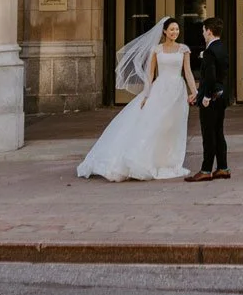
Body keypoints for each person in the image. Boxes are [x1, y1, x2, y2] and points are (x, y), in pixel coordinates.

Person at [76, 17, 198, 182]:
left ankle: (168, 161)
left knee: (172, 126)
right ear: (164, 31)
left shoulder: (184, 49)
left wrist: (194, 91)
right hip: (160, 89)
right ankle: (147, 160)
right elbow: (150, 74)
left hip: (177, 91)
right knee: (155, 124)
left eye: (177, 29)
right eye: (171, 29)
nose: (175, 32)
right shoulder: (157, 49)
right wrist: (147, 94)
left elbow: (188, 72)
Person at [185, 17, 230, 182]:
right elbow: (221, 76)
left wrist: (205, 97)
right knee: (218, 132)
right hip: (221, 96)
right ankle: (223, 168)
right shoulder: (222, 48)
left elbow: (210, 78)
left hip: (211, 99)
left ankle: (205, 170)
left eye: (203, 31)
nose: (203, 34)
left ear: (209, 31)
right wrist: (198, 93)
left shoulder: (210, 51)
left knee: (208, 134)